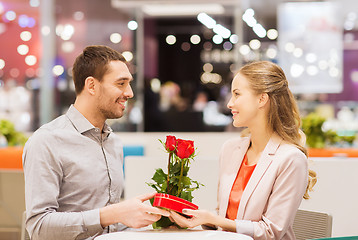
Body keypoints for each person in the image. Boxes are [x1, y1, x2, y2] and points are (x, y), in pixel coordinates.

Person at [22, 45, 169, 240]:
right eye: (121, 83)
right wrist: (113, 213)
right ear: (91, 85)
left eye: (129, 83)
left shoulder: (113, 142)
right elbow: (39, 227)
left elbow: (109, 228)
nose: (130, 92)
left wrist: (159, 222)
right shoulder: (47, 141)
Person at [170, 61, 317, 240]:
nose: (230, 103)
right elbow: (225, 216)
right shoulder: (231, 149)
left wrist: (214, 219)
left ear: (262, 99)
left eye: (237, 94)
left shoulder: (291, 158)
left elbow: (271, 232)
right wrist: (199, 218)